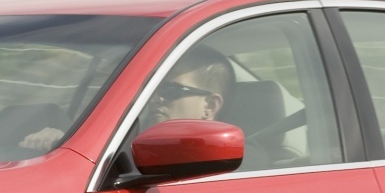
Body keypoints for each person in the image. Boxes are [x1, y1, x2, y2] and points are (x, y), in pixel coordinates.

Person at [17, 46, 235, 152]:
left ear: (209, 106)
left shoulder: (234, 164)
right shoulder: (126, 145)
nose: (155, 98)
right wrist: (62, 146)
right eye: (151, 89)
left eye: (170, 90)